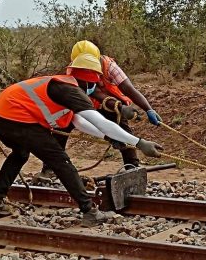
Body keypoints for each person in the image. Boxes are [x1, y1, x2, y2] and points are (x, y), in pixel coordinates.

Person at [0, 53, 163, 226]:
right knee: (61, 161)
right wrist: (139, 143)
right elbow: (99, 121)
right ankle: (89, 211)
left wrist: (108, 137)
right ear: (89, 79)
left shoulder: (64, 86)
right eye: (95, 83)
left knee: (20, 154)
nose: (96, 88)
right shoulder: (71, 90)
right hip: (15, 118)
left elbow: (78, 122)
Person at [36, 40, 161, 179]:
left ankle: (132, 166)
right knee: (62, 126)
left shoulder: (109, 66)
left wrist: (148, 109)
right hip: (84, 103)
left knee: (122, 129)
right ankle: (50, 168)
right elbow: (90, 91)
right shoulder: (75, 69)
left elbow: (127, 88)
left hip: (109, 104)